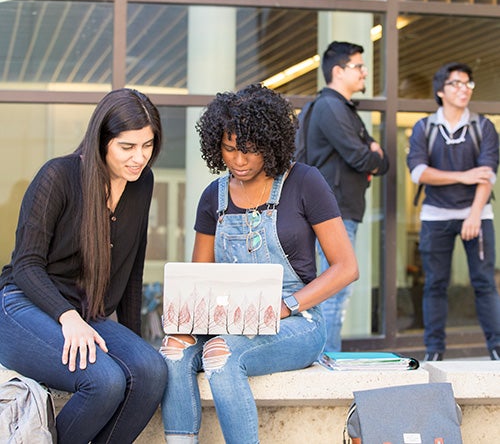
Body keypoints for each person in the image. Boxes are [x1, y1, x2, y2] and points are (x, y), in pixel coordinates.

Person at [160, 83, 358, 444]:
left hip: (298, 319)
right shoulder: (213, 197)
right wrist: (184, 312)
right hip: (228, 318)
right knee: (173, 349)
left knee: (221, 354)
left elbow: (346, 267)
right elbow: (199, 278)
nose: (238, 160)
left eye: (250, 150)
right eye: (230, 148)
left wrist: (285, 306)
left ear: (271, 143)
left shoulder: (305, 183)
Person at [0, 88, 169, 443]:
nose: (139, 157)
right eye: (127, 147)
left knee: (151, 370)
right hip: (24, 307)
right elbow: (27, 265)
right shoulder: (58, 176)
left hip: (85, 313)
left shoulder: (142, 183)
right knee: (105, 381)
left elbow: (133, 269)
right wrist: (68, 317)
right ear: (102, 140)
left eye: (148, 145)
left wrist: (132, 342)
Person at [407, 62, 500, 361]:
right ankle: (434, 351)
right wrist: (463, 176)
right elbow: (418, 172)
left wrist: (474, 215)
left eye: (468, 84)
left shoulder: (483, 126)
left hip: (477, 214)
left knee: (484, 283)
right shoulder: (425, 127)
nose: (464, 89)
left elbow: (486, 175)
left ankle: (496, 348)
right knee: (435, 284)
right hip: (435, 215)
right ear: (440, 91)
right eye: (456, 84)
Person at [305, 41, 389, 352]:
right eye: (358, 66)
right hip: (333, 211)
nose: (365, 71)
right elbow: (363, 157)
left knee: (335, 290)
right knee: (333, 291)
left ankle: (326, 361)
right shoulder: (330, 107)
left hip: (340, 210)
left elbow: (380, 159)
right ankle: (328, 365)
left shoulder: (343, 110)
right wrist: (373, 153)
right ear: (338, 71)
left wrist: (374, 154)